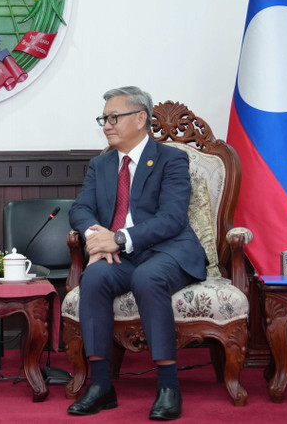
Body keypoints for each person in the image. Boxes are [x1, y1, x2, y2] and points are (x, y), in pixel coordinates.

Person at [67, 86, 207, 421]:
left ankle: (168, 386)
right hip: (119, 257)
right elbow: (80, 209)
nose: (106, 125)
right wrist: (96, 237)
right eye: (104, 118)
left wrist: (118, 238)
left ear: (141, 118)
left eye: (114, 117)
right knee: (95, 275)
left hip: (169, 251)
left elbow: (172, 218)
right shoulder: (100, 165)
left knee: (148, 276)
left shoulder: (171, 159)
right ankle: (101, 386)